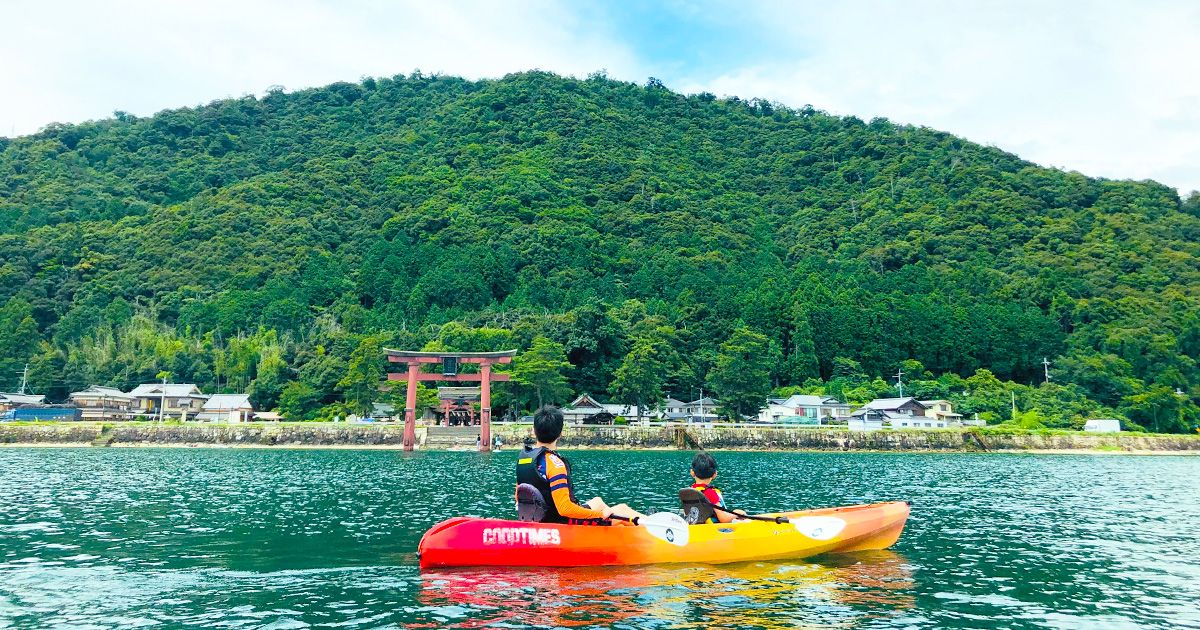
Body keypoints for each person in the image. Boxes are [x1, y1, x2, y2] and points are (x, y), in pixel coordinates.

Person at [516, 405, 644, 524]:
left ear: (534, 431)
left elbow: (519, 497)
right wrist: (599, 515)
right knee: (623, 510)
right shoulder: (555, 464)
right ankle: (655, 533)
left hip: (541, 519)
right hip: (562, 523)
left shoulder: (524, 460)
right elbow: (564, 509)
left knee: (598, 501)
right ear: (560, 433)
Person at [689, 451, 744, 524]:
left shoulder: (690, 490)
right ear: (715, 474)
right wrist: (737, 513)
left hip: (697, 528)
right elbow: (723, 519)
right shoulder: (710, 493)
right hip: (715, 530)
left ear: (692, 472)